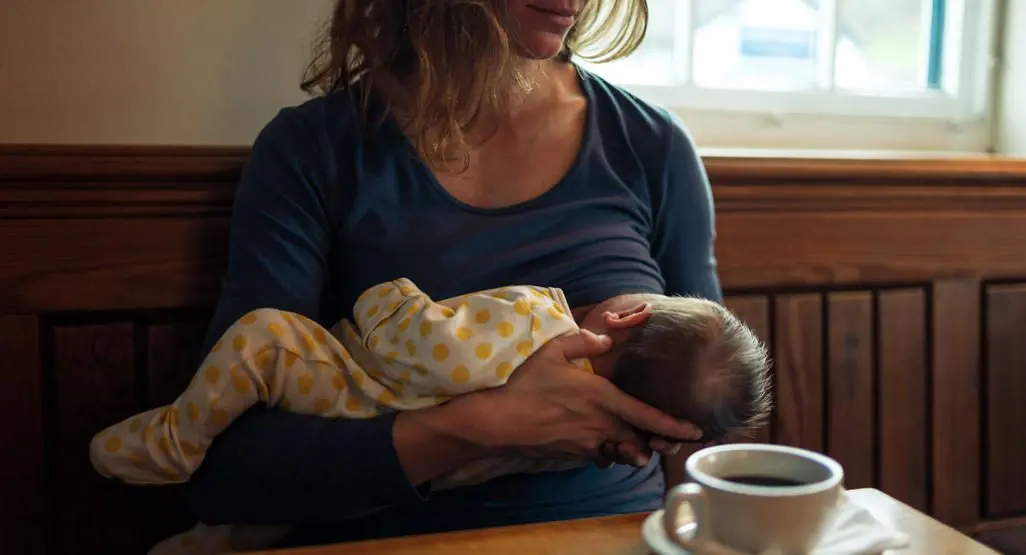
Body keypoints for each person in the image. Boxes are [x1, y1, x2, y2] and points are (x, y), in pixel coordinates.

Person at [184, 0, 722, 548]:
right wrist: (484, 428)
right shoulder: (314, 150)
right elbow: (227, 470)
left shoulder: (651, 145)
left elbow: (709, 419)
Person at [96, 279, 769, 555]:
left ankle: (173, 439)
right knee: (258, 523)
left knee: (263, 339)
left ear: (624, 317)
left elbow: (411, 341)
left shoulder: (538, 317)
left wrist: (392, 296)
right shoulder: (585, 440)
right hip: (374, 482)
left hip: (343, 390)